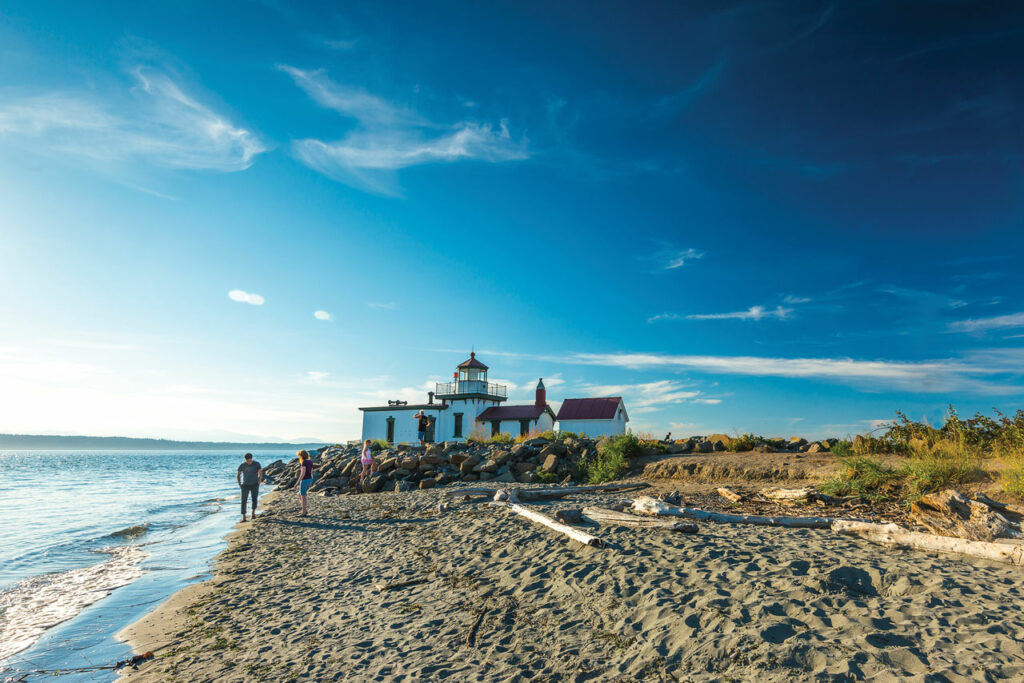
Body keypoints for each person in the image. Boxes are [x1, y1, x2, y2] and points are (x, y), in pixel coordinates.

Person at [237, 452, 263, 522]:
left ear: (252, 458)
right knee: (243, 501)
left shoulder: (256, 464)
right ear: (245, 459)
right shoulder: (242, 465)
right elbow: (238, 474)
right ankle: (244, 517)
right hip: (245, 485)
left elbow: (260, 473)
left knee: (254, 499)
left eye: (250, 460)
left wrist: (259, 481)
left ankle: (253, 514)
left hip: (255, 484)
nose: (249, 462)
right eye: (247, 460)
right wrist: (239, 484)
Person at [293, 450, 318, 517]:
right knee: (300, 494)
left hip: (305, 480)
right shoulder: (310, 461)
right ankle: (304, 510)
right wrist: (311, 480)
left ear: (301, 456)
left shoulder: (304, 462)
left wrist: (296, 483)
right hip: (309, 479)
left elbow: (302, 474)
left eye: (299, 456)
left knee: (303, 496)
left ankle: (304, 512)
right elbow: (311, 471)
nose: (299, 457)